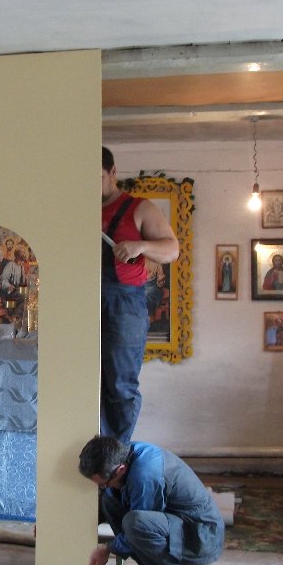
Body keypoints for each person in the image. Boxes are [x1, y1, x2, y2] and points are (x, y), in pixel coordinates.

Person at [80, 435, 224, 565]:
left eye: (103, 484)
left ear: (120, 470)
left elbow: (140, 526)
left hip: (200, 534)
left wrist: (108, 548)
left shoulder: (145, 476)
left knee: (136, 523)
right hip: (174, 521)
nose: (104, 487)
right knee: (109, 499)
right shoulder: (124, 453)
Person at [101, 146, 179, 443]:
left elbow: (172, 250)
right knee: (87, 381)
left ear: (112, 173)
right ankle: (94, 454)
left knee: (120, 385)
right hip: (83, 302)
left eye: (96, 178)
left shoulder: (139, 208)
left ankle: (116, 455)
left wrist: (141, 246)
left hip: (124, 302)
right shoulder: (79, 209)